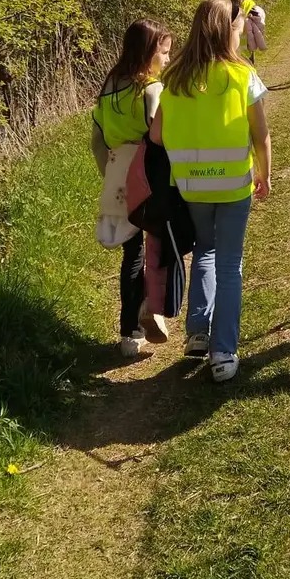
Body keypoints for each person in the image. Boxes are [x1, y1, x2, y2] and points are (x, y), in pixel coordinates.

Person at [151, 0, 271, 383]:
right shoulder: (242, 75)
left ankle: (197, 333)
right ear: (227, 31)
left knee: (205, 250)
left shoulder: (174, 79)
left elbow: (156, 135)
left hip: (192, 186)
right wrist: (265, 174)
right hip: (234, 184)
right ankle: (224, 351)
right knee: (230, 264)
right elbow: (261, 134)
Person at [91, 20, 173, 358]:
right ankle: (151, 308)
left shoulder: (109, 88)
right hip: (149, 176)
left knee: (132, 251)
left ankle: (129, 332)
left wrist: (112, 175)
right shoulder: (152, 90)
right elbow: (162, 139)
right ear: (148, 53)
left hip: (117, 174)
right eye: (164, 52)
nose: (167, 59)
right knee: (159, 246)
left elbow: (97, 142)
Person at [230, 0, 267, 64]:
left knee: (238, 58)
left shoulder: (228, 4)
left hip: (235, 35)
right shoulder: (250, 3)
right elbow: (257, 17)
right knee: (248, 57)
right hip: (247, 35)